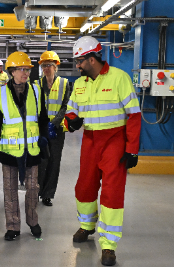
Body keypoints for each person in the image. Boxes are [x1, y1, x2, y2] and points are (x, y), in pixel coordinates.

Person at [65, 37, 141, 266]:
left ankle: (108, 245)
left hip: (114, 140)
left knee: (112, 191)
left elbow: (134, 115)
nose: (77, 65)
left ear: (91, 59)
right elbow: (71, 110)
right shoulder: (80, 84)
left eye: (80, 61)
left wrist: (132, 150)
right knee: (85, 185)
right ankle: (87, 226)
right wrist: (71, 122)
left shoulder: (120, 78)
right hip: (89, 140)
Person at [0, 51, 49, 241]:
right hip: (9, 151)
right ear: (12, 72)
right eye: (21, 69)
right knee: (10, 190)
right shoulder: (0, 94)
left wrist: (44, 137)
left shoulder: (37, 91)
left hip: (31, 149)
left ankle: (33, 222)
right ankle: (13, 226)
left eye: (28, 69)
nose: (25, 73)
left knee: (33, 188)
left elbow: (43, 118)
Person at [35, 51, 70, 207]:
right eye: (44, 65)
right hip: (40, 129)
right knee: (40, 161)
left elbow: (66, 106)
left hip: (56, 130)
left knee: (54, 162)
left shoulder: (64, 83)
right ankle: (36, 191)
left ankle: (48, 194)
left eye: (49, 65)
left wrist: (54, 123)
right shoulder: (36, 84)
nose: (46, 68)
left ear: (56, 67)